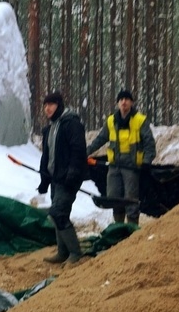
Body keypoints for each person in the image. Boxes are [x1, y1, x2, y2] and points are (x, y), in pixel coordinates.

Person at [87, 89, 156, 225]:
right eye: (121, 99)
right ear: (118, 103)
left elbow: (150, 144)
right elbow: (100, 139)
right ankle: (119, 228)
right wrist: (85, 151)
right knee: (114, 198)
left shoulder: (140, 121)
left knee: (131, 200)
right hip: (114, 167)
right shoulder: (111, 121)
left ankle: (131, 230)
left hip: (131, 168)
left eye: (127, 99)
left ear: (131, 102)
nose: (124, 102)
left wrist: (147, 162)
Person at [37, 91, 88, 265]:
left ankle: (75, 254)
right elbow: (47, 156)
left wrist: (73, 173)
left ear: (59, 105)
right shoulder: (50, 128)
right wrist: (44, 179)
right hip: (55, 179)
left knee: (58, 213)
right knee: (58, 214)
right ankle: (62, 252)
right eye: (45, 105)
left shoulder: (71, 123)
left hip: (68, 178)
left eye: (51, 104)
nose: (47, 108)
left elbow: (78, 150)